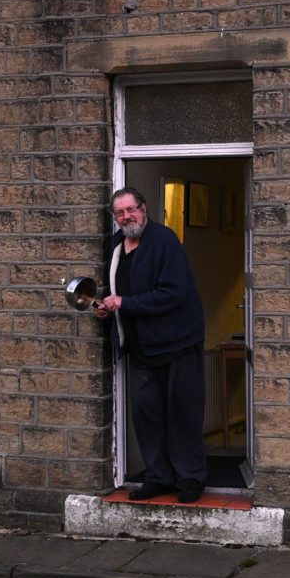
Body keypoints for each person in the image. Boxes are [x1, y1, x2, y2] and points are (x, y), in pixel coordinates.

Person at [94, 187, 207, 503]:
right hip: (141, 348)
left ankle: (190, 479)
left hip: (178, 343)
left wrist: (125, 303)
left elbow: (173, 293)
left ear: (144, 209)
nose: (126, 217)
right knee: (148, 415)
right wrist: (107, 307)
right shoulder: (117, 246)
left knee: (183, 414)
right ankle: (159, 477)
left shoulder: (164, 240)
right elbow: (119, 292)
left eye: (131, 209)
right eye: (120, 213)